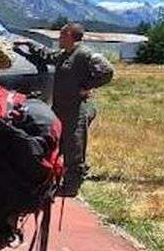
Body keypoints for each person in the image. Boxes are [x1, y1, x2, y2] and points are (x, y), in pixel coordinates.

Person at [17, 23, 114, 196]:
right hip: (62, 108)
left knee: (74, 147)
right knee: (59, 143)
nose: (58, 38)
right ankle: (57, 178)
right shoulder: (65, 54)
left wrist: (87, 86)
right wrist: (29, 44)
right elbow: (48, 55)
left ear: (69, 35)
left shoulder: (84, 54)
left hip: (77, 109)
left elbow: (107, 71)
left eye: (61, 35)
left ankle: (71, 188)